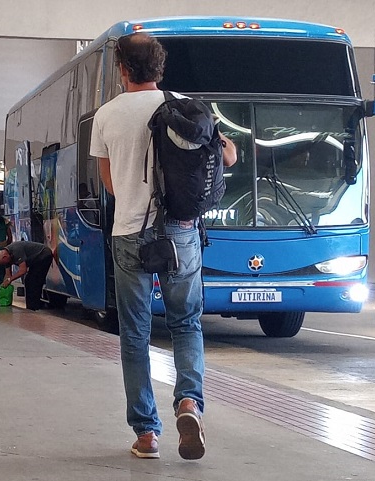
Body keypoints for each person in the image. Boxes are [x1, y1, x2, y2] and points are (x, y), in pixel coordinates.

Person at [89, 32, 237, 460]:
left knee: (134, 334)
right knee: (185, 323)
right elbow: (225, 157)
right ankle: (188, 402)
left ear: (121, 68)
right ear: (160, 67)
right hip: (181, 230)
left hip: (130, 233)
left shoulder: (106, 115)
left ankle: (146, 434)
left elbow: (110, 181)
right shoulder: (186, 106)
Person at [0, 241, 52, 311]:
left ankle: (34, 307)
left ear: (4, 257)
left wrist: (10, 280)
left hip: (43, 254)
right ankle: (30, 306)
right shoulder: (7, 258)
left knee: (34, 280)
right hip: (34, 260)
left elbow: (23, 270)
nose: (4, 264)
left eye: (3, 263)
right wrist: (4, 286)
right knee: (28, 280)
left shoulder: (16, 250)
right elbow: (8, 274)